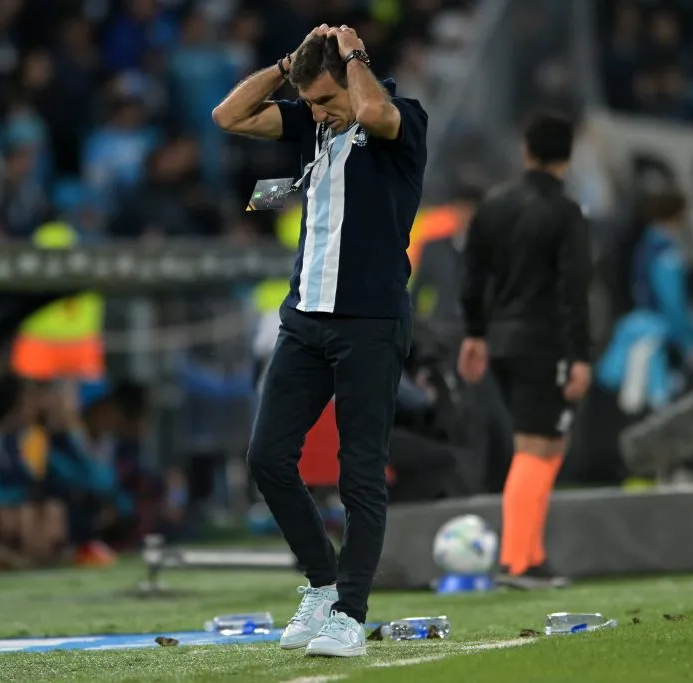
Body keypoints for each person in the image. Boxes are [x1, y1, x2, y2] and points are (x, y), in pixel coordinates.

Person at [211, 24, 427, 657]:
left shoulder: (399, 121)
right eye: (312, 103)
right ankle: (322, 584)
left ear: (356, 71)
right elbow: (230, 114)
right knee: (267, 457)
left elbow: (369, 109)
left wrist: (352, 58)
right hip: (305, 320)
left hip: (369, 321)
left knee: (359, 472)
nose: (320, 114)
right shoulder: (315, 121)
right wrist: (288, 67)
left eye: (326, 100)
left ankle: (350, 618)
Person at [457, 113, 592, 589]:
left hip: (502, 340)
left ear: (526, 151)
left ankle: (531, 552)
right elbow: (573, 289)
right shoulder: (565, 211)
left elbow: (472, 275)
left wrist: (474, 333)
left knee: (543, 444)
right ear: (567, 157)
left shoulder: (493, 204)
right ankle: (517, 561)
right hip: (545, 341)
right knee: (536, 445)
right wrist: (579, 354)